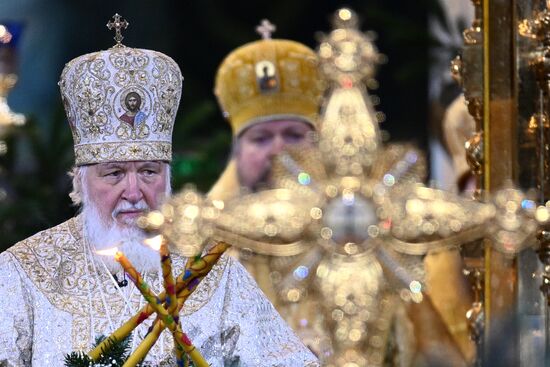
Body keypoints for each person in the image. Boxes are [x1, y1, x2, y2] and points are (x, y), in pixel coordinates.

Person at [0, 17, 318, 366]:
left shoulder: (211, 270)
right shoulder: (23, 272)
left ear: (167, 179)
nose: (134, 192)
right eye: (114, 174)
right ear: (80, 180)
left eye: (149, 171)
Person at [208, 21, 325, 346]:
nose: (278, 150)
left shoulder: (355, 233)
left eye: (293, 135)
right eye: (260, 138)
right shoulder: (201, 242)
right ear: (237, 153)